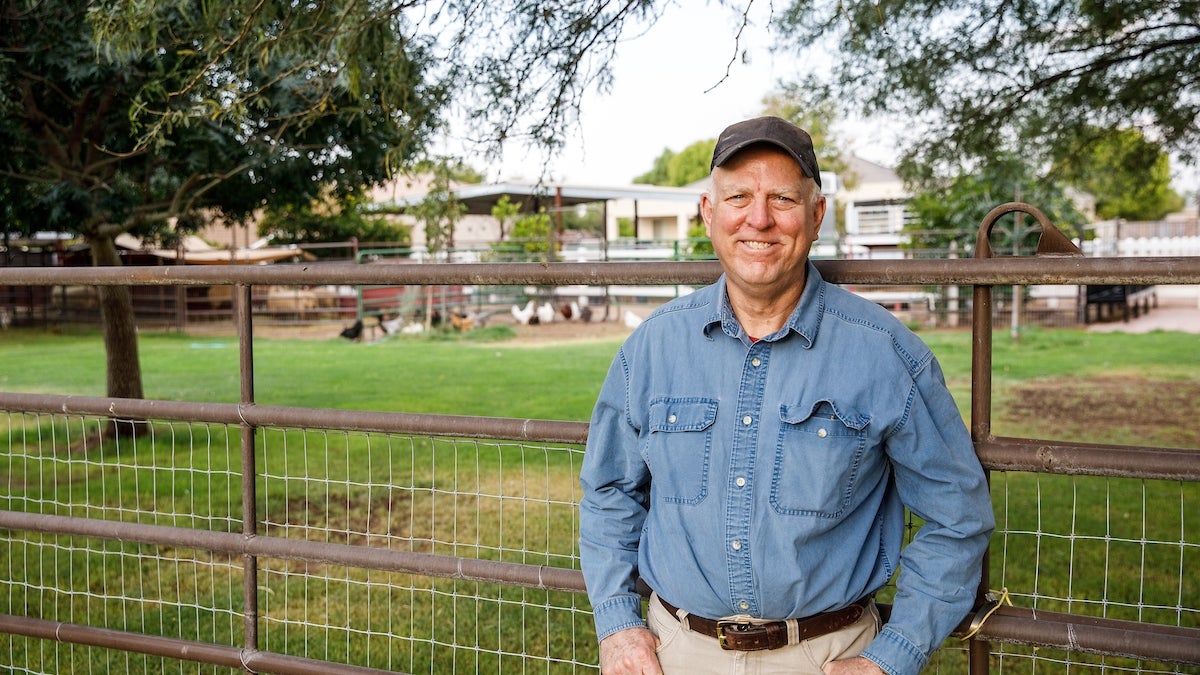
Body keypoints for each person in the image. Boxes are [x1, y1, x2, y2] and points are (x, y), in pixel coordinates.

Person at [579, 116, 995, 675]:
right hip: (673, 653)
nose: (759, 218)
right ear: (709, 213)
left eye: (782, 198)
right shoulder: (651, 348)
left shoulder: (887, 354)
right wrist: (618, 624)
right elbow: (609, 492)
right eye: (739, 197)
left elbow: (958, 517)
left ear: (817, 215)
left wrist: (891, 657)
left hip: (830, 656)